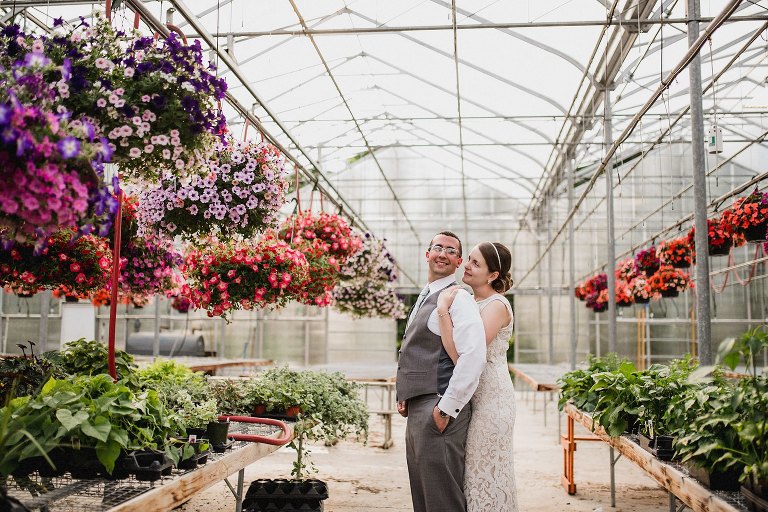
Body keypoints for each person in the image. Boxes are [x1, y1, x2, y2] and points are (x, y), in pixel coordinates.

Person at [396, 231, 487, 512]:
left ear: (458, 262)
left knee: (442, 499)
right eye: (438, 247)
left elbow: (474, 356)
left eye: (451, 251)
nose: (443, 254)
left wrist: (446, 408)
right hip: (418, 406)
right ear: (427, 254)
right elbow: (416, 347)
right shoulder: (426, 296)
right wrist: (404, 394)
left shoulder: (458, 299)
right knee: (423, 495)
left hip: (439, 406)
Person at [437, 241, 517, 511]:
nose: (466, 265)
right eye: (468, 259)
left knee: (486, 472)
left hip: (492, 402)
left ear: (493, 275)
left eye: (475, 263)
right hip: (473, 399)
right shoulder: (470, 301)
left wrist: (443, 312)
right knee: (471, 472)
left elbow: (465, 355)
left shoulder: (496, 306)